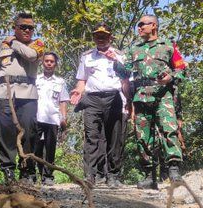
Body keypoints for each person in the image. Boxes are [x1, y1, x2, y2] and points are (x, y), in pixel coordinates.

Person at [115, 14, 187, 189]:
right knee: (143, 136)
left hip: (163, 95)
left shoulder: (169, 46)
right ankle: (149, 176)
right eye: (138, 25)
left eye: (142, 24)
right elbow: (125, 73)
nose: (139, 28)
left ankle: (174, 172)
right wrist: (115, 63)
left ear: (153, 26)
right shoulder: (133, 50)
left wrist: (170, 77)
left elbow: (182, 69)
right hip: (141, 96)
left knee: (168, 130)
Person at [0, 12, 44, 181]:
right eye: (23, 27)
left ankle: (28, 171)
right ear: (14, 27)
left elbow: (30, 56)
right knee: (5, 133)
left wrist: (13, 42)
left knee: (29, 132)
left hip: (28, 94)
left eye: (30, 28)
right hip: (4, 93)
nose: (27, 30)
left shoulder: (37, 44)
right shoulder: (1, 47)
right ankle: (8, 170)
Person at [70, 22, 129, 188]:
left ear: (110, 37)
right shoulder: (87, 56)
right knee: (92, 137)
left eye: (104, 36)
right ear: (94, 38)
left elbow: (126, 78)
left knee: (115, 137)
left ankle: (113, 175)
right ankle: (90, 175)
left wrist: (129, 102)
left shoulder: (120, 55)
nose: (101, 38)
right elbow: (82, 80)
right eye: (97, 36)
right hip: (92, 100)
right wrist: (78, 91)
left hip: (114, 98)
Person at [28, 52, 69, 185]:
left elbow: (63, 101)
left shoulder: (60, 82)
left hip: (53, 120)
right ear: (42, 63)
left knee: (50, 148)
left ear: (55, 64)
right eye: (47, 61)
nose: (49, 63)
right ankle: (32, 174)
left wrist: (64, 119)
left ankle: (48, 176)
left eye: (52, 61)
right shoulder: (35, 79)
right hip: (36, 118)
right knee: (35, 148)